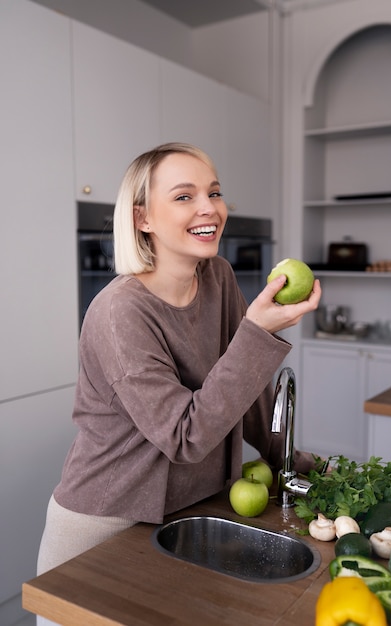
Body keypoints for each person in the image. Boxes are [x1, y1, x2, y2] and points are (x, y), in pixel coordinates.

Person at [36, 142, 321, 624]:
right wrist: (257, 333)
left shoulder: (218, 278)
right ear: (143, 217)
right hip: (107, 525)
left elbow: (247, 396)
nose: (209, 208)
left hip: (190, 512)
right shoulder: (119, 312)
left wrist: (298, 465)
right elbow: (185, 437)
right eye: (184, 197)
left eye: (214, 192)